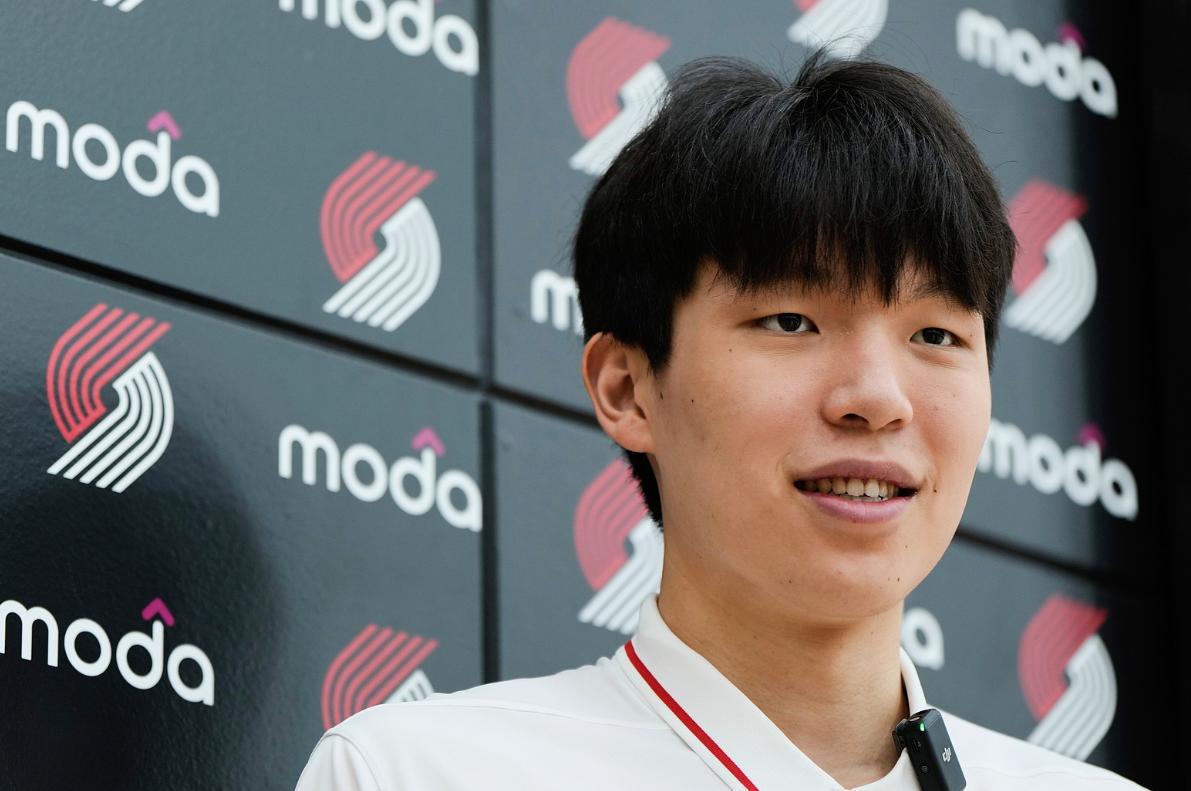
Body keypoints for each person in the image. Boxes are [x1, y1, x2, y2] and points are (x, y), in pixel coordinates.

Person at [295, 51, 1147, 790]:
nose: (877, 397)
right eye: (791, 321)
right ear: (627, 389)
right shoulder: (416, 772)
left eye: (934, 335)